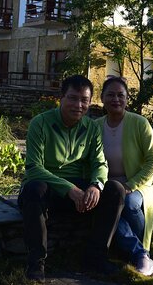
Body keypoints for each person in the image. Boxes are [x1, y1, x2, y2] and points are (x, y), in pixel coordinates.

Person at [18, 75, 126, 282]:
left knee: (115, 190)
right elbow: (33, 168)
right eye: (73, 98)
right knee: (34, 188)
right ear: (61, 98)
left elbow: (100, 163)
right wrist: (69, 188)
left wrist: (96, 186)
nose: (79, 105)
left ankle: (95, 258)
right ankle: (36, 262)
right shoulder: (40, 124)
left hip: (78, 193)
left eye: (84, 100)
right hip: (47, 190)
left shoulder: (91, 127)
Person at [96, 76, 153, 276]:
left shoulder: (139, 123)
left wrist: (131, 185)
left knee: (130, 203)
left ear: (127, 98)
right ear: (102, 98)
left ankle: (139, 251)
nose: (116, 99)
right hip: (107, 184)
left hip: (138, 183)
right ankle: (141, 255)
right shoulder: (95, 125)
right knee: (110, 207)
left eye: (120, 95)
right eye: (110, 95)